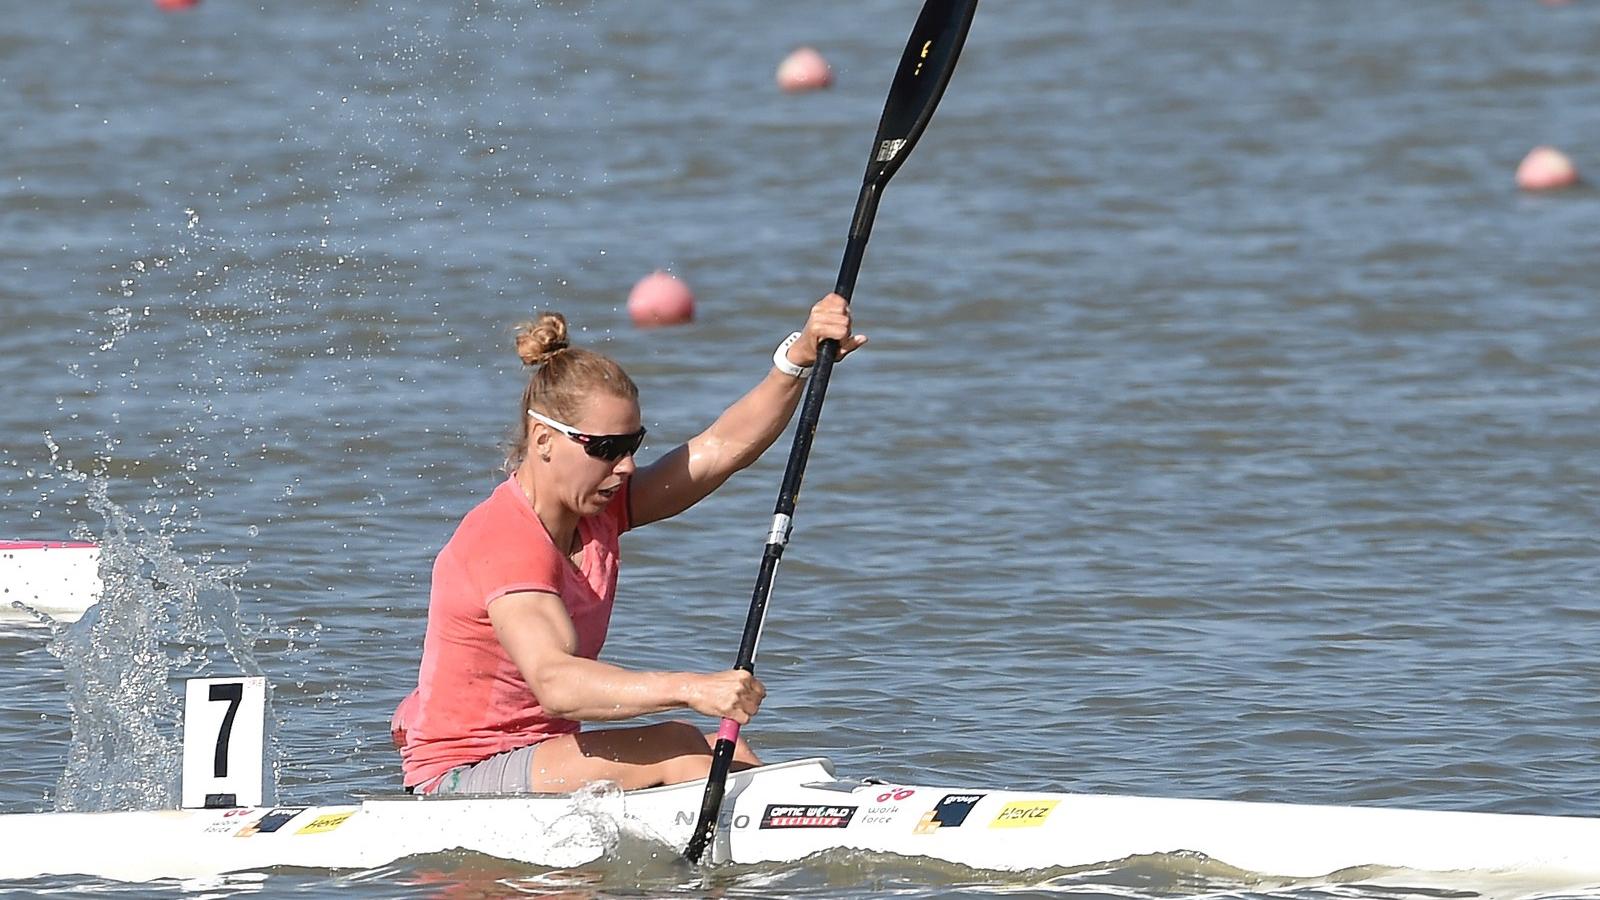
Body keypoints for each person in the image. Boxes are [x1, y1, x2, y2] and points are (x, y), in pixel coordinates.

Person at [393, 294, 865, 795]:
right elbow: (555, 683)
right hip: (460, 777)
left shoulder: (598, 512)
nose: (626, 467)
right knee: (682, 747)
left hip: (539, 757)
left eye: (632, 445)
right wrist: (691, 688)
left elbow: (720, 448)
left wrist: (795, 362)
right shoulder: (505, 537)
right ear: (543, 439)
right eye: (604, 449)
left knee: (728, 753)